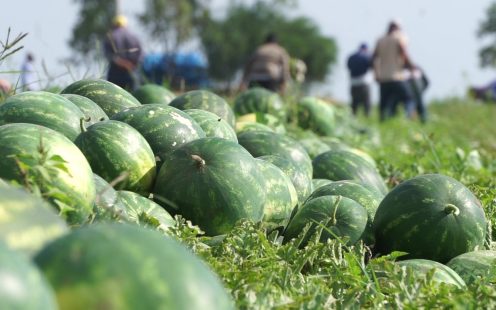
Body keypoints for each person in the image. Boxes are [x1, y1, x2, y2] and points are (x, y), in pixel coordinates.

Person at [372, 20, 415, 121]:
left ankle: (383, 122)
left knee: (384, 104)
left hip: (383, 78)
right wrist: (411, 67)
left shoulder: (380, 40)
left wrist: (376, 73)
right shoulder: (398, 38)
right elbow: (404, 54)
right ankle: (407, 117)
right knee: (409, 98)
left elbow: (374, 58)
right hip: (396, 77)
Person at [104, 15, 143, 90]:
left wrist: (121, 62)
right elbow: (141, 56)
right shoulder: (134, 37)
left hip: (115, 73)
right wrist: (130, 64)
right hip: (131, 71)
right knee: (132, 98)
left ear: (115, 24)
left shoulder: (111, 37)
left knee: (114, 96)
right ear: (125, 25)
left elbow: (109, 55)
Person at [347, 43, 372, 117]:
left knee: (354, 102)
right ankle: (367, 116)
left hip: (353, 82)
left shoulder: (351, 57)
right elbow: (371, 66)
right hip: (364, 82)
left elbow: (348, 66)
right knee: (366, 102)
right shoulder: (367, 56)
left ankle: (353, 117)